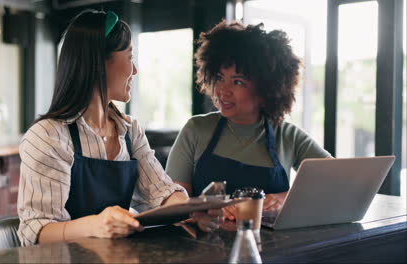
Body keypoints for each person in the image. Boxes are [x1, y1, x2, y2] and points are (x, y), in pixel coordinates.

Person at [17, 10, 221, 247]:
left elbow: (161, 192)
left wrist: (190, 211)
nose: (135, 70)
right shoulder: (47, 136)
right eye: (129, 57)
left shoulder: (130, 131)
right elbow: (37, 231)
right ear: (99, 64)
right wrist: (95, 225)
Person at [166, 20, 331, 223]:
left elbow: (334, 181)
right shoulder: (196, 130)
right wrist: (202, 210)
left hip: (272, 250)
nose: (222, 91)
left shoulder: (288, 136)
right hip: (203, 247)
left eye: (237, 81)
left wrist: (286, 198)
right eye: (219, 78)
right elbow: (171, 202)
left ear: (266, 90)